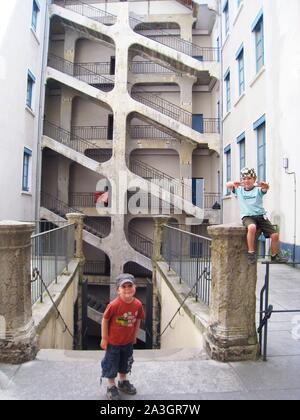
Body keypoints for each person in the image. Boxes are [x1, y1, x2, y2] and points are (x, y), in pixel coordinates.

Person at [226, 167, 287, 264]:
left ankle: (275, 256)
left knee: (275, 235)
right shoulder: (239, 190)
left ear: (254, 179)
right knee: (252, 227)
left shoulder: (258, 190)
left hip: (260, 216)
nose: (247, 180)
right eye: (244, 178)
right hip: (248, 216)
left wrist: (264, 185)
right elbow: (228, 184)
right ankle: (251, 252)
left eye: (249, 178)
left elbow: (265, 188)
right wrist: (240, 183)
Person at [100, 273, 145, 400]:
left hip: (128, 342)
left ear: (134, 287)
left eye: (129, 285)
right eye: (123, 286)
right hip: (114, 342)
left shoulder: (138, 305)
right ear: (118, 290)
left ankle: (123, 381)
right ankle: (111, 385)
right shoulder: (114, 305)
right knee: (111, 363)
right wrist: (104, 338)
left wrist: (135, 335)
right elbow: (105, 319)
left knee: (125, 362)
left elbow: (138, 320)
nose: (127, 289)